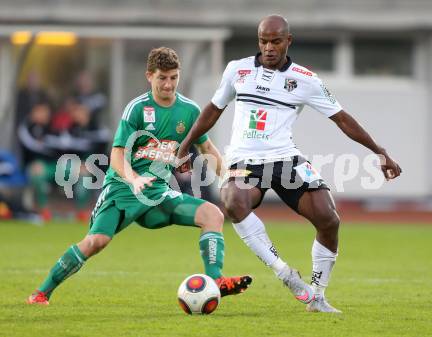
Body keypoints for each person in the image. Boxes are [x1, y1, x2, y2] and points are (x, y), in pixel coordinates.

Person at [176, 15, 402, 313]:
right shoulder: (237, 70)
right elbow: (212, 110)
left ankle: (318, 297)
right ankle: (285, 273)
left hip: (285, 158)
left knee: (328, 219)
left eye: (275, 41)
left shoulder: (305, 79)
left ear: (288, 41)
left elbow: (342, 119)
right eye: (263, 41)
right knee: (232, 201)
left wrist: (379, 151)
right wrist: (185, 146)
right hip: (245, 160)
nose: (268, 47)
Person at [27, 47, 252, 305]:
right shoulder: (136, 109)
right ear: (149, 76)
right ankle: (42, 292)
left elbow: (206, 148)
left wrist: (227, 178)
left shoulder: (189, 111)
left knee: (213, 215)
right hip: (123, 190)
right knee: (96, 241)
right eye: (162, 78)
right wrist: (134, 179)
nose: (168, 84)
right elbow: (116, 155)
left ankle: (216, 281)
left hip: (157, 194)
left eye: (173, 78)